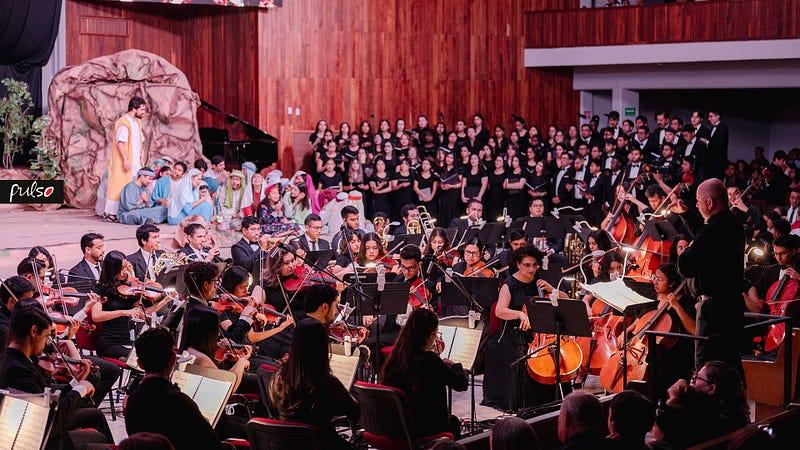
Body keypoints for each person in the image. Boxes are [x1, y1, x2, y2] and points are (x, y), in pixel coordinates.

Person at [0, 305, 113, 449]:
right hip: (46, 440)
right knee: (99, 439)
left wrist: (75, 382)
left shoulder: (16, 359)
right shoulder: (17, 371)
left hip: (45, 429)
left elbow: (47, 401)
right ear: (34, 331)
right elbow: (52, 416)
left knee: (95, 416)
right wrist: (80, 390)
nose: (47, 343)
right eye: (47, 336)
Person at [677, 178, 746, 372]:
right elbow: (705, 238)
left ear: (709, 202)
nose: (697, 205)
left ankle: (708, 402)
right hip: (732, 306)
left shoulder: (712, 231)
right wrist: (687, 215)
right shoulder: (733, 224)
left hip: (713, 311)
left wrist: (685, 252)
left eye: (698, 201)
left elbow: (686, 266)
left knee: (707, 366)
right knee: (729, 363)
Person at [483, 246, 557, 411]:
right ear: (518, 264)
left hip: (538, 332)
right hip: (513, 333)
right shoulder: (509, 285)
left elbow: (562, 301)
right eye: (527, 265)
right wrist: (519, 314)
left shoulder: (539, 281)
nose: (531, 269)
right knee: (524, 359)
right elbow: (499, 311)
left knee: (553, 356)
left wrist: (553, 290)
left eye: (534, 265)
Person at [125, 327, 224, 450]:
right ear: (172, 359)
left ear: (139, 363)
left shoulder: (132, 400)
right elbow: (213, 444)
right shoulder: (180, 402)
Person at [269, 319, 360, 450]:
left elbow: (274, 409)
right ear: (322, 348)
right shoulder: (327, 383)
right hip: (322, 444)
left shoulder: (278, 377)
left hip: (287, 444)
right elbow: (354, 411)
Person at [381, 308, 468, 439]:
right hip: (424, 429)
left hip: (397, 427)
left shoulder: (396, 357)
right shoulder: (430, 360)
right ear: (430, 334)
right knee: (453, 422)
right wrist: (455, 366)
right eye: (435, 333)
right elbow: (461, 384)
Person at [91, 250, 169, 359]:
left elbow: (141, 314)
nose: (125, 272)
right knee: (142, 358)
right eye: (120, 269)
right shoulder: (100, 289)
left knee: (160, 353)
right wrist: (124, 312)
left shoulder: (132, 287)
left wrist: (162, 303)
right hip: (110, 342)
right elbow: (96, 316)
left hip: (132, 339)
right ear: (111, 270)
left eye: (125, 267)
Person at [655, 360, 749, 449]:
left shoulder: (699, 418)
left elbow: (658, 434)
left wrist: (673, 399)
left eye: (697, 378)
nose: (691, 383)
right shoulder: (733, 415)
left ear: (712, 388)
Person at [104, 96, 146, 222]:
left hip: (136, 160)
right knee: (119, 186)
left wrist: (141, 152)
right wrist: (125, 160)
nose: (144, 112)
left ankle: (128, 209)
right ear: (134, 108)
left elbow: (140, 139)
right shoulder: (123, 122)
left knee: (132, 184)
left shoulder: (137, 122)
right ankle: (111, 213)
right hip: (125, 160)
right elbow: (120, 143)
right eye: (142, 109)